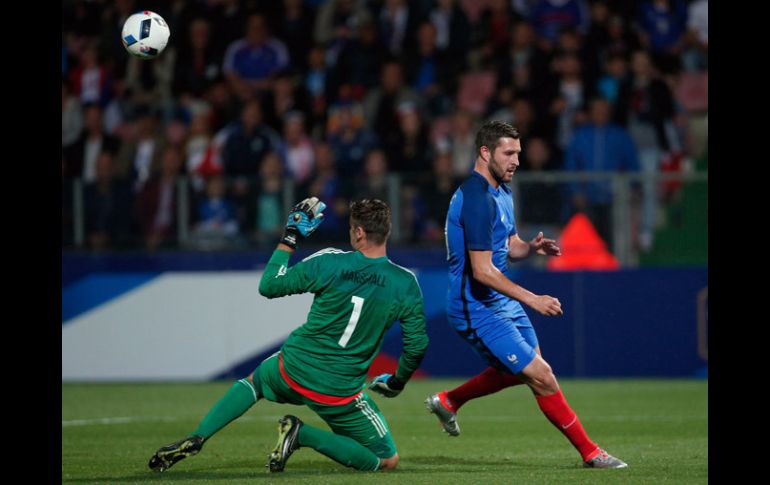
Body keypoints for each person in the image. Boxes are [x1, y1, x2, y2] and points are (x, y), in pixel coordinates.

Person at [148, 197, 428, 473]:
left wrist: (289, 237)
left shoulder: (329, 262)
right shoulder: (404, 283)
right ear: (387, 231)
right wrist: (397, 382)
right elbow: (416, 347)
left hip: (293, 367)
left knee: (253, 383)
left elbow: (270, 285)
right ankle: (301, 435)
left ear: (358, 232)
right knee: (385, 460)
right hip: (338, 391)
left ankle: (199, 436)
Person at [425, 121, 627, 469]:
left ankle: (449, 401)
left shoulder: (501, 189)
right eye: (509, 153)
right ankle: (591, 452)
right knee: (541, 375)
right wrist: (532, 299)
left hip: (498, 301)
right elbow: (483, 270)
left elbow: (506, 244)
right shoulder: (476, 200)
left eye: (518, 152)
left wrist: (530, 248)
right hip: (476, 307)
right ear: (485, 153)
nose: (517, 160)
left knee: (522, 370)